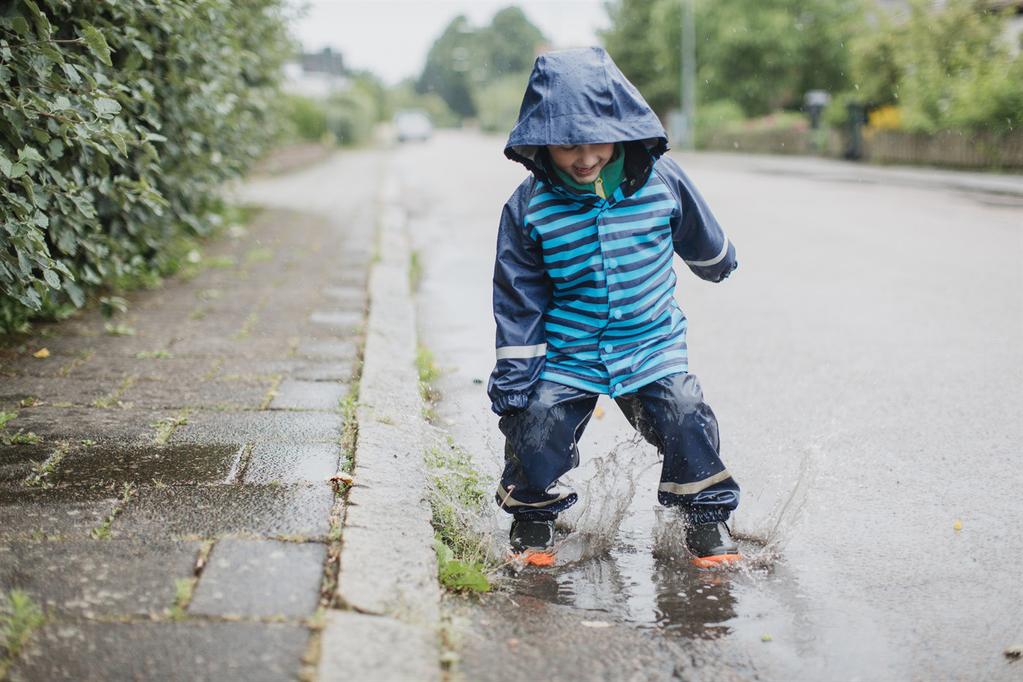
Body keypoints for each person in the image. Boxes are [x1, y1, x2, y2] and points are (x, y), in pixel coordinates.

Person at [487, 47, 741, 568]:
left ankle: (706, 518)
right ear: (541, 144)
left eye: (595, 141)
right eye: (566, 147)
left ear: (623, 129)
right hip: (568, 349)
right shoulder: (528, 208)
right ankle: (532, 515)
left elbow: (701, 234)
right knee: (537, 420)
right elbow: (518, 299)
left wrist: (717, 262)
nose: (583, 158)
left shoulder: (661, 180)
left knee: (685, 414)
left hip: (650, 343)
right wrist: (515, 378)